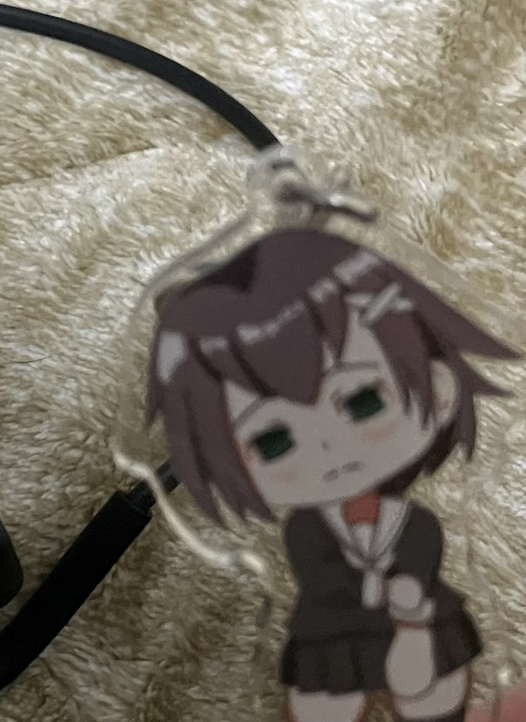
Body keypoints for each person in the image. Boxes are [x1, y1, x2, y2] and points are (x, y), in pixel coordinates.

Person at [147, 228, 521, 722]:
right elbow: (321, 582)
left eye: (363, 401)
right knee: (324, 705)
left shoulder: (421, 524)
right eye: (273, 440)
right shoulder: (304, 530)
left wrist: (409, 608)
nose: (327, 447)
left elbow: (420, 568)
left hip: (421, 625)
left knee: (433, 692)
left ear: (439, 388)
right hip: (333, 634)